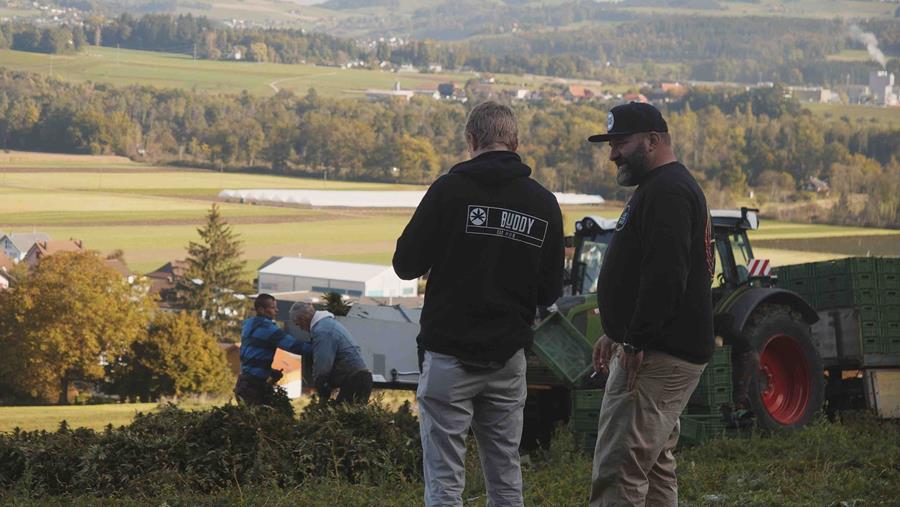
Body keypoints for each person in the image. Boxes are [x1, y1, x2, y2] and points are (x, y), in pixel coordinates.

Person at [393, 101, 564, 507]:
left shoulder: (448, 191)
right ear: (515, 142)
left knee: (444, 480)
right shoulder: (543, 204)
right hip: (508, 357)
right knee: (505, 471)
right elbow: (549, 291)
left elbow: (405, 264)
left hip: (449, 355)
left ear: (471, 140)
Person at [587, 102, 715, 506]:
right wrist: (617, 331)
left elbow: (666, 276)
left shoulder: (668, 191)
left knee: (619, 470)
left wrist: (636, 339)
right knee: (654, 466)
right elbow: (650, 270)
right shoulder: (661, 187)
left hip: (656, 356)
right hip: (660, 349)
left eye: (621, 143)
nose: (613, 154)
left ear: (653, 141)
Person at [235, 293, 311, 406]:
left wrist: (270, 372)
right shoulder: (268, 329)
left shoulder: (248, 325)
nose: (277, 310)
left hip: (243, 383)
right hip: (254, 387)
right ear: (261, 309)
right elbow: (295, 346)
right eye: (272, 307)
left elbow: (252, 356)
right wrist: (318, 347)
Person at [290, 302, 372, 404]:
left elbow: (323, 363)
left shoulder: (322, 331)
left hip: (354, 379)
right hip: (359, 377)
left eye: (298, 324)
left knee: (341, 412)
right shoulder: (327, 324)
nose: (301, 329)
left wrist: (320, 383)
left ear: (303, 318)